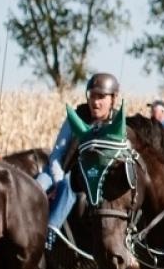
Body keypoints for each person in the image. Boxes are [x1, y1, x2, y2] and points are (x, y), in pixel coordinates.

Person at [36, 72, 121, 241]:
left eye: (101, 97)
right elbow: (57, 155)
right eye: (92, 96)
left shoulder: (118, 125)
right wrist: (57, 181)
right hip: (59, 170)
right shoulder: (76, 117)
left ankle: (49, 235)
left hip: (88, 177)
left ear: (113, 99)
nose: (95, 103)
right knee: (36, 186)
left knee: (69, 184)